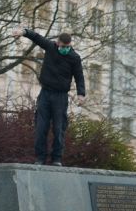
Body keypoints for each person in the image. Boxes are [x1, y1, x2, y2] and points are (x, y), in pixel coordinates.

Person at [12, 28, 85, 166]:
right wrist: (24, 32)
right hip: (45, 93)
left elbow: (79, 76)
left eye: (68, 47)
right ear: (58, 43)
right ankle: (40, 158)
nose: (65, 49)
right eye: (63, 47)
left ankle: (56, 158)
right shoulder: (50, 47)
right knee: (41, 127)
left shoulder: (74, 58)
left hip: (60, 96)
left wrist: (81, 94)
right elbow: (37, 37)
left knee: (59, 128)